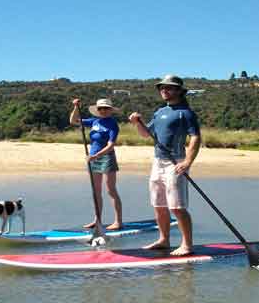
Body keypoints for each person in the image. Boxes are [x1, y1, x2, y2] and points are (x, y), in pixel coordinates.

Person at [128, 75, 201, 256]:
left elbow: (195, 137)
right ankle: (163, 239)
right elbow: (146, 134)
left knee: (176, 206)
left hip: (175, 163)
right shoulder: (159, 112)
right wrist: (138, 123)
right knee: (159, 205)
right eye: (162, 88)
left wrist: (187, 162)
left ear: (178, 91)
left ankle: (187, 245)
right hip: (157, 162)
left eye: (168, 88)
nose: (164, 91)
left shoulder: (186, 113)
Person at [69, 98, 124, 230]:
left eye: (106, 108)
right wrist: (76, 107)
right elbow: (72, 121)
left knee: (111, 190)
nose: (103, 111)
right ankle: (97, 220)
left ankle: (118, 221)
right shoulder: (94, 121)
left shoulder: (112, 124)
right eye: (100, 109)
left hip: (106, 157)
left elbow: (111, 145)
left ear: (110, 110)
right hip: (92, 158)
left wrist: (96, 155)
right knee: (96, 191)